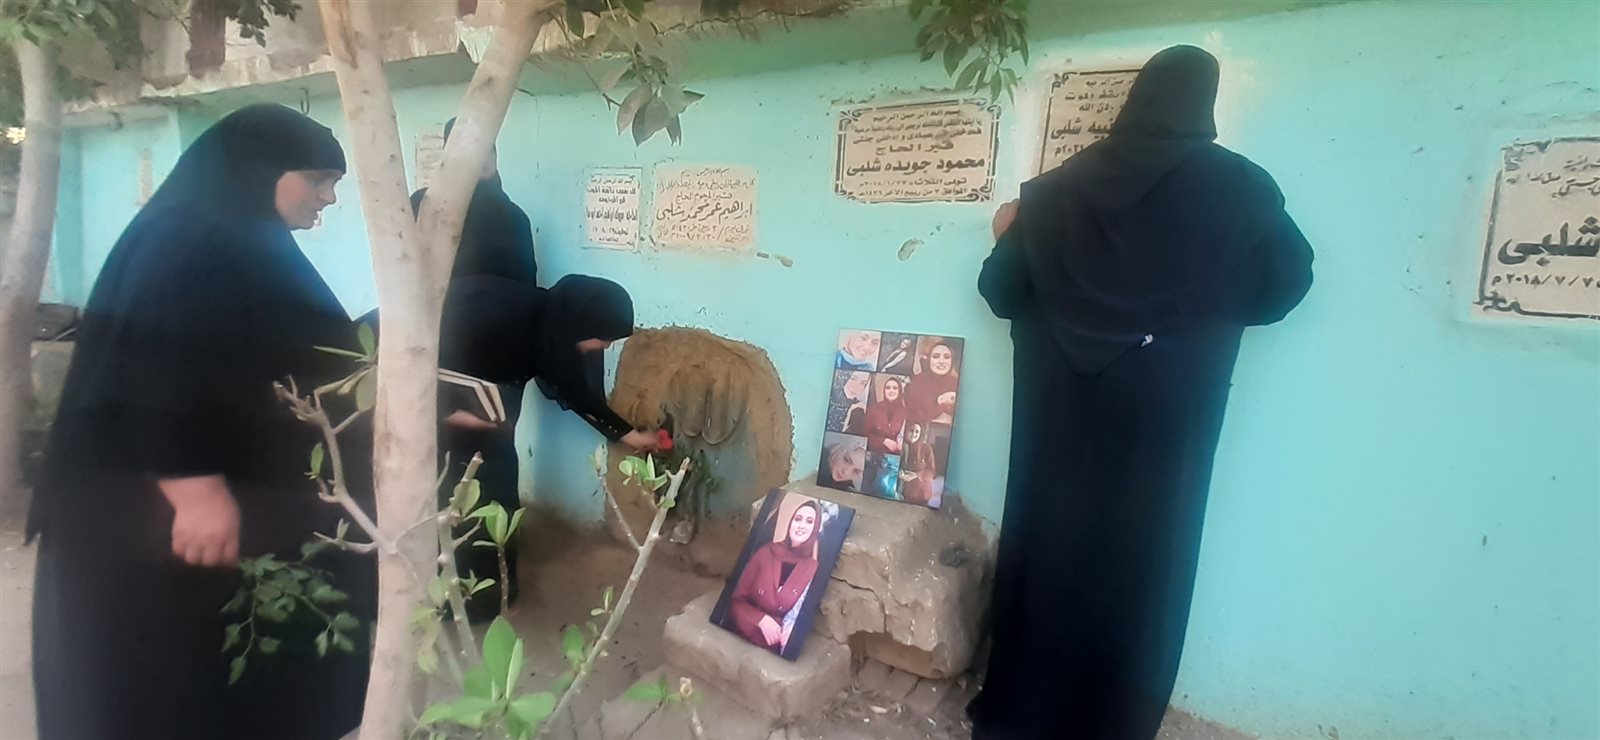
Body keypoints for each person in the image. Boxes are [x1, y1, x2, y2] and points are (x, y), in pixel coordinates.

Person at [966, 46, 1314, 740]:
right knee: (1148, 561)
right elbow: (1284, 286)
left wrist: (1007, 234)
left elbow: (1000, 291)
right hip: (1172, 416)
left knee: (1050, 543)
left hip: (1061, 413)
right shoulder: (1243, 189)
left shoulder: (1059, 189)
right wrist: (1197, 308)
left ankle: (1020, 714)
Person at [28, 105, 372, 740]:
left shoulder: (233, 237)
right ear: (259, 170)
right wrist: (193, 485)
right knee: (170, 686)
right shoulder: (190, 242)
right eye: (319, 179)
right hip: (163, 524)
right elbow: (148, 364)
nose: (328, 197)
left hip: (223, 518)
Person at [409, 118, 537, 622]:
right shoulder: (510, 216)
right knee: (490, 464)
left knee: (446, 466)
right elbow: (525, 296)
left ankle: (452, 586)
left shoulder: (426, 205)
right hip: (491, 368)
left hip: (443, 362)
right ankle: (491, 588)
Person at [410, 117, 537, 285]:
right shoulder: (424, 204)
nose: (480, 157)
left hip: (504, 298)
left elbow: (526, 283)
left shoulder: (516, 217)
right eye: (466, 148)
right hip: (451, 299)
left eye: (487, 148)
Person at [724, 499, 822, 655]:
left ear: (815, 528)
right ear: (790, 523)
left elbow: (802, 615)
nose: (801, 525)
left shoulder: (812, 567)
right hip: (741, 634)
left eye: (809, 521)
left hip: (776, 649)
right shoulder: (766, 552)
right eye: (798, 519)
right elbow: (734, 599)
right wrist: (761, 620)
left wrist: (790, 632)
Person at [903, 339, 960, 426]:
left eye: (946, 357)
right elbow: (917, 414)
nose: (941, 361)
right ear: (929, 359)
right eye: (936, 356)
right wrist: (940, 401)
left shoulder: (957, 383)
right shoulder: (918, 380)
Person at [864, 376, 908, 454]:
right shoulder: (874, 409)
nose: (891, 390)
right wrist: (883, 441)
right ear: (884, 391)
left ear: (899, 391)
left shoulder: (904, 412)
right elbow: (865, 435)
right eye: (888, 388)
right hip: (874, 453)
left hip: (895, 455)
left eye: (895, 388)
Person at [899, 422, 937, 506]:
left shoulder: (926, 448)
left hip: (922, 495)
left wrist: (916, 475)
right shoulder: (901, 446)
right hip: (904, 494)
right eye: (911, 430)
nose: (914, 434)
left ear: (920, 434)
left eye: (917, 431)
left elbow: (932, 471)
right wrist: (900, 473)